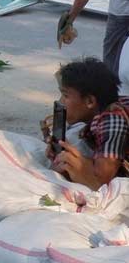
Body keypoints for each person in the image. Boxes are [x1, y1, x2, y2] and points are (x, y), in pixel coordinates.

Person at [48, 58, 129, 190]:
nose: (60, 102)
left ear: (90, 101)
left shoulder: (113, 119)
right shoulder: (102, 113)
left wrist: (75, 163)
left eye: (65, 96)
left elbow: (101, 180)